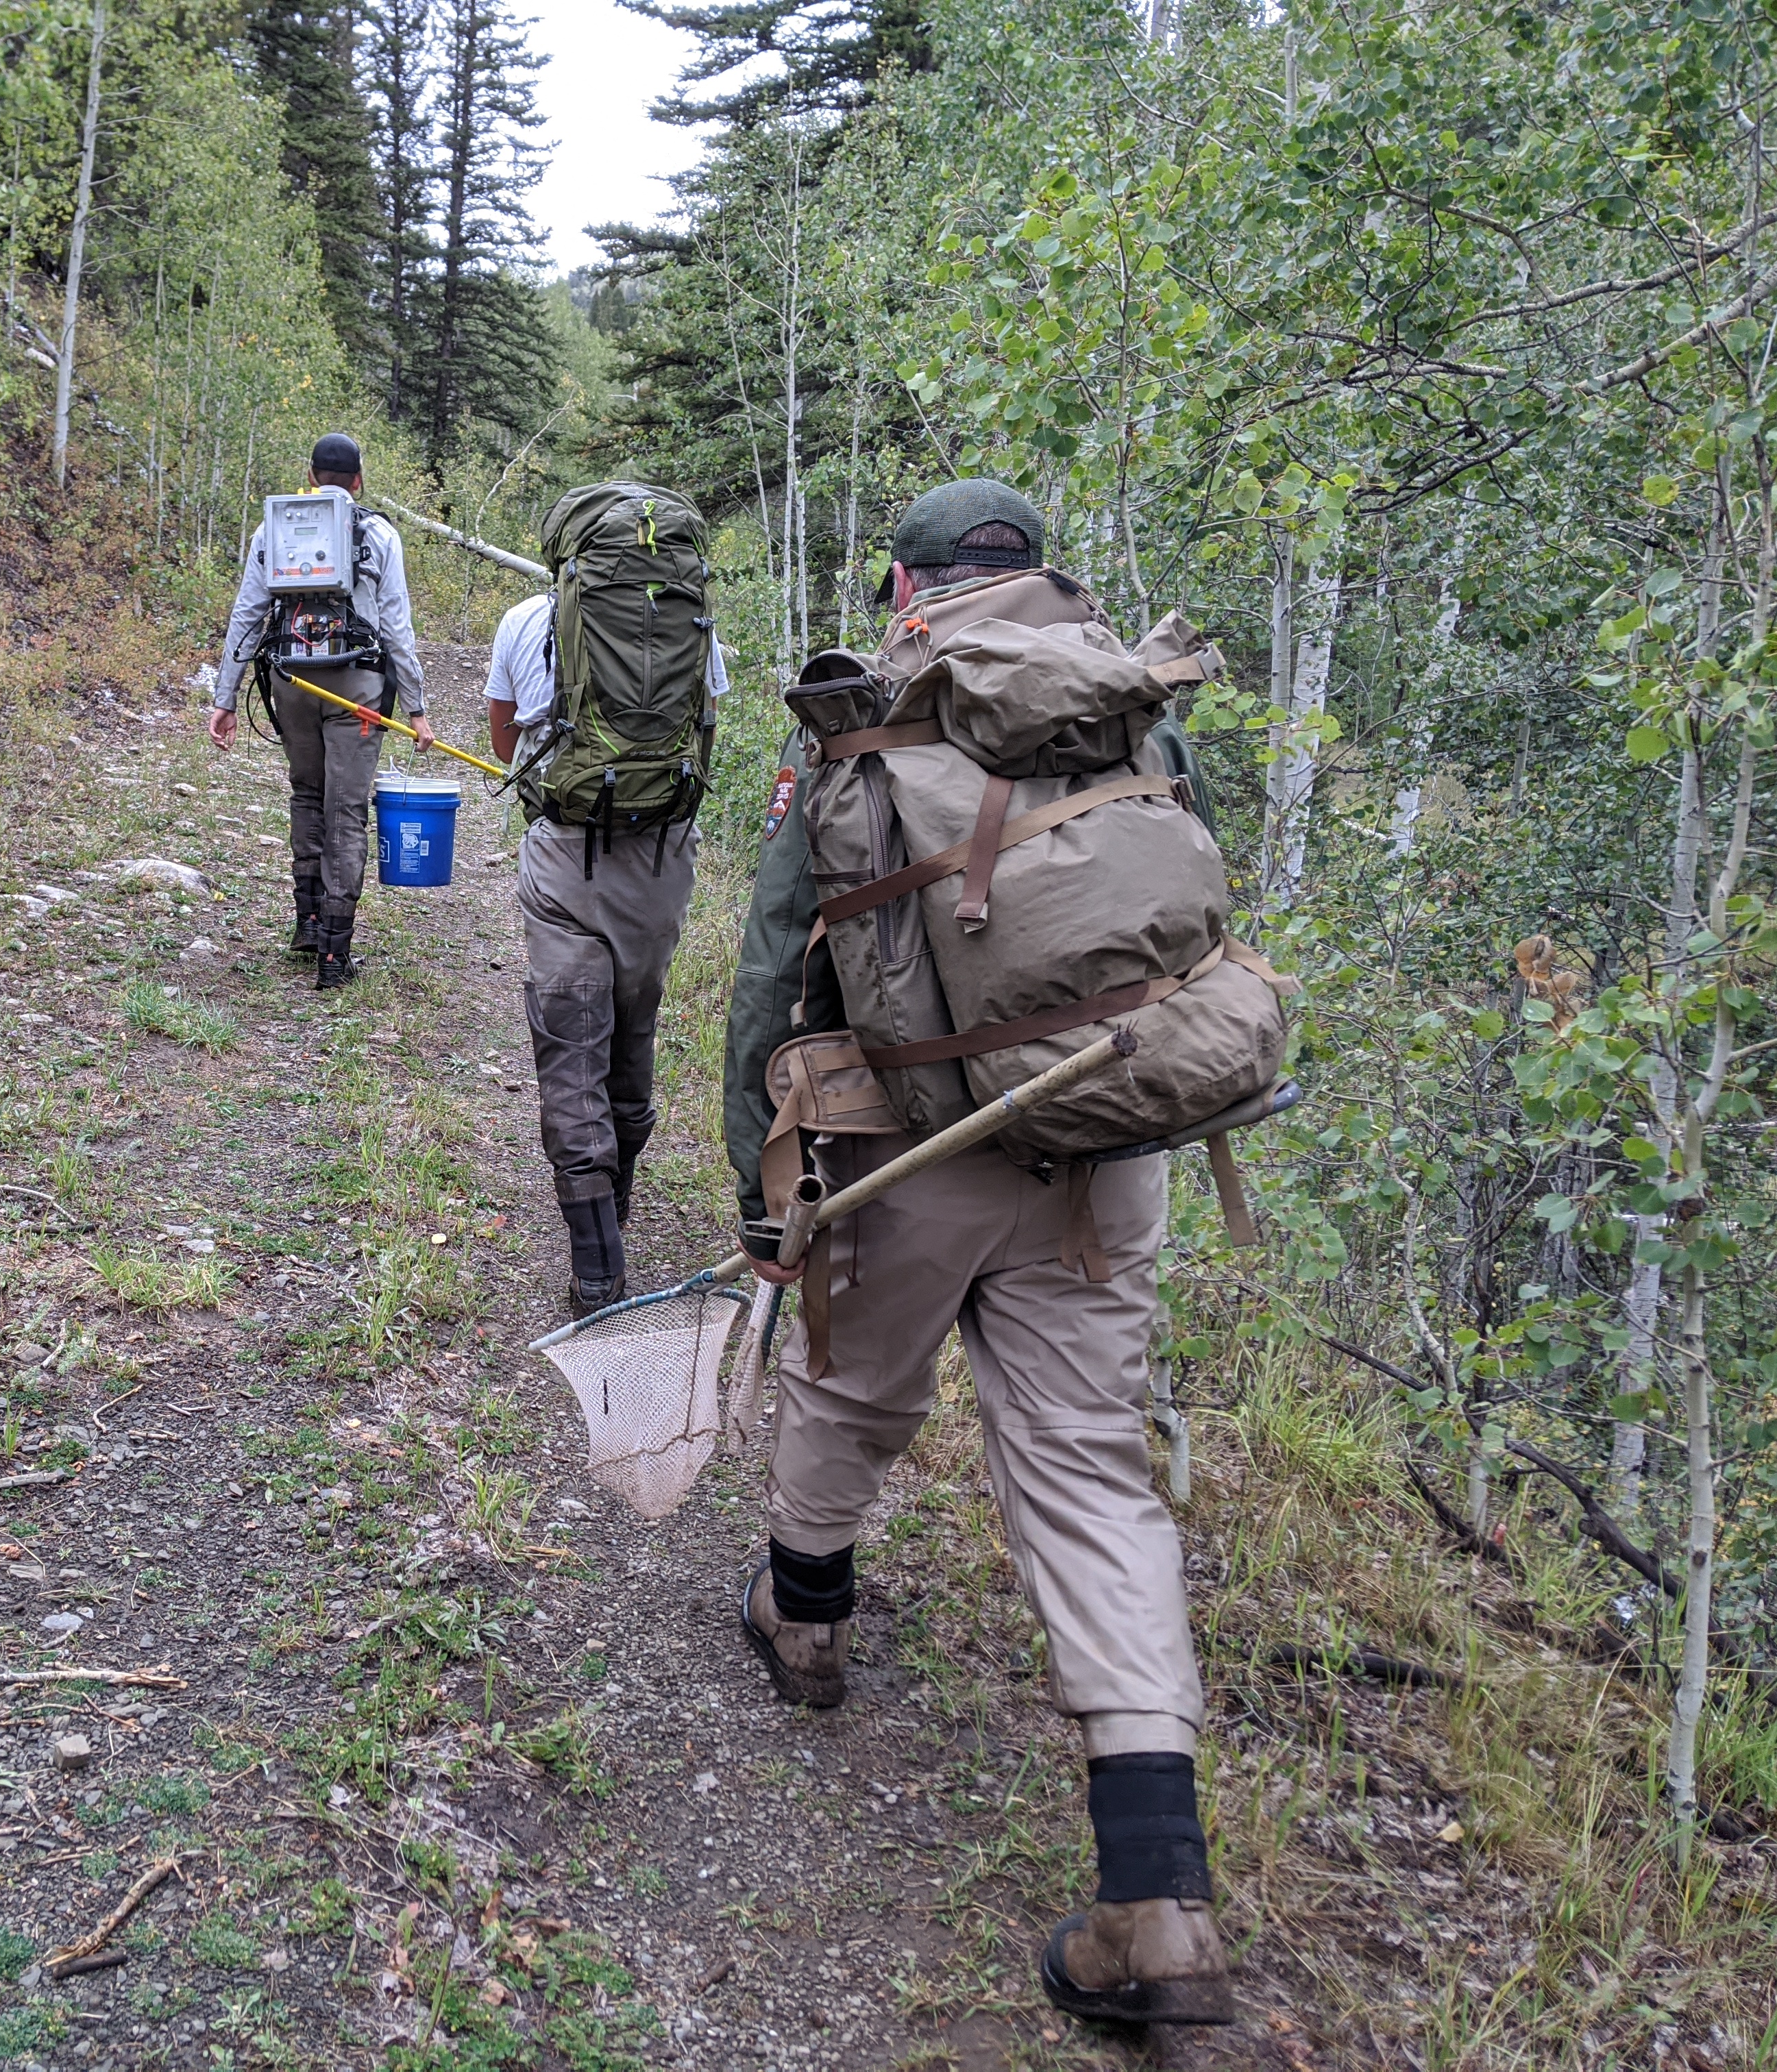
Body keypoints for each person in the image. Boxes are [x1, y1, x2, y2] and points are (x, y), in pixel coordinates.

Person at [722, 479, 1234, 2027]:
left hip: (908, 1142)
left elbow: (771, 967)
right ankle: (1156, 1896)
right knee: (1089, 1471)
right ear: (1043, 577)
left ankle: (805, 1619)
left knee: (858, 1387)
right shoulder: (1130, 705)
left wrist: (756, 1180)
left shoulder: (863, 721)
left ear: (905, 585)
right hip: (1103, 1146)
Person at [487, 569, 728, 1314]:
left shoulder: (526, 618)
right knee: (635, 1023)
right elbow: (706, 724)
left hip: (564, 856)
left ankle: (597, 1269)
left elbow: (505, 744)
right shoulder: (691, 625)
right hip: (661, 861)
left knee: (571, 1045)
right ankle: (616, 1203)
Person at [208, 433, 430, 989]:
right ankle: (335, 953)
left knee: (307, 794)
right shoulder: (379, 534)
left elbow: (247, 614)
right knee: (347, 810)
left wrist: (225, 697)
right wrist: (418, 707)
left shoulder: (273, 529)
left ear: (312, 475)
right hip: (358, 688)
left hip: (292, 683)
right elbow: (396, 627)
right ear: (359, 480)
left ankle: (307, 925)